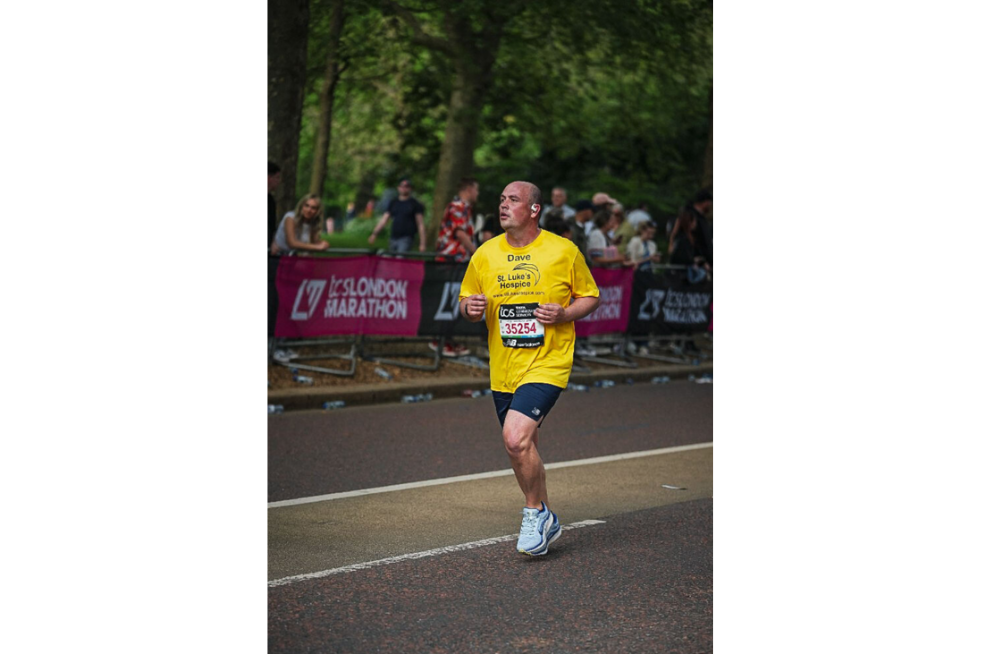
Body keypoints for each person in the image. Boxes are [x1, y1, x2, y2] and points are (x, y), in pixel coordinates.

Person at [458, 180, 600, 556]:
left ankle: (534, 511)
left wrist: (566, 312)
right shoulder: (484, 254)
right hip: (504, 367)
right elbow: (466, 301)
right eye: (501, 199)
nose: (503, 205)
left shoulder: (562, 250)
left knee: (515, 438)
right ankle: (546, 515)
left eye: (513, 200)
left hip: (548, 362)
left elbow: (590, 296)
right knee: (526, 446)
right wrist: (469, 309)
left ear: (534, 210)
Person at [430, 177, 480, 357]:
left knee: (456, 299)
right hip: (451, 260)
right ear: (468, 189)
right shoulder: (458, 207)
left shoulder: (464, 208)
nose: (478, 193)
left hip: (458, 260)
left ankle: (447, 339)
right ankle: (440, 340)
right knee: (450, 299)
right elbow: (459, 233)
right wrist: (476, 253)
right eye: (476, 189)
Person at [368, 178, 426, 252]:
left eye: (407, 186)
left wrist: (422, 243)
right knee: (391, 260)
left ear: (410, 188)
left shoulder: (415, 204)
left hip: (406, 238)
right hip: (393, 237)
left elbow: (420, 224)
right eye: (402, 186)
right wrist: (374, 233)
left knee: (400, 258)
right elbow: (384, 219)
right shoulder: (394, 203)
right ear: (398, 188)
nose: (404, 188)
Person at [568, 199, 594, 267]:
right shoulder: (569, 226)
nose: (592, 214)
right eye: (591, 211)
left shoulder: (582, 227)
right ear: (586, 211)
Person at [267, 161, 282, 256]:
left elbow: (272, 226)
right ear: (269, 178)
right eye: (277, 178)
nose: (279, 181)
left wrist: (274, 242)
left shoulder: (270, 201)